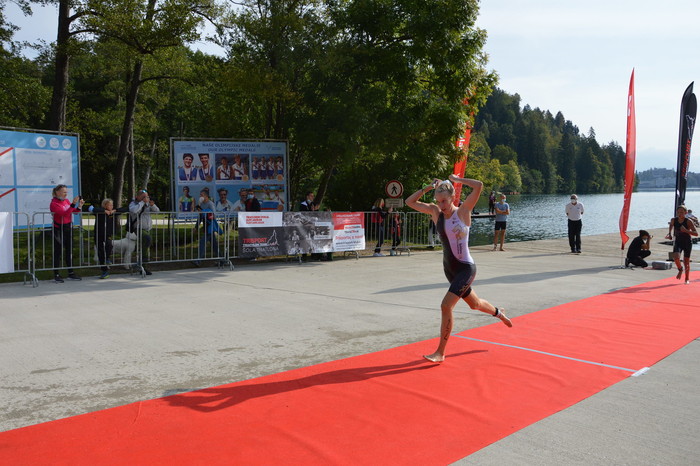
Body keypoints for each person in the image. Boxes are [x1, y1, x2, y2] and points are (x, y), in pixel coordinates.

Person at [406, 175, 512, 363]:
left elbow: (479, 185)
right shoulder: (435, 212)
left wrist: (457, 179)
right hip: (449, 270)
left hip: (465, 269)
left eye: (444, 201)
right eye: (438, 201)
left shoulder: (463, 212)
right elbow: (409, 202)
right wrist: (429, 187)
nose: (441, 205)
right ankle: (499, 312)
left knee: (446, 306)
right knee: (475, 304)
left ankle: (440, 352)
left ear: (452, 198)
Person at [50, 184, 84, 282]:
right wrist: (73, 204)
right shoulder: (54, 203)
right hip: (58, 228)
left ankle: (71, 273)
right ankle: (56, 274)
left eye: (66, 192)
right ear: (57, 192)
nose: (66, 194)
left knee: (69, 250)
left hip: (68, 227)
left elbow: (74, 212)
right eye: (64, 192)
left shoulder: (67, 201)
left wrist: (79, 206)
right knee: (58, 251)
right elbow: (64, 213)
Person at [88, 198, 129, 279]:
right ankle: (104, 270)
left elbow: (126, 209)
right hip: (98, 234)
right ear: (105, 205)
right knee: (100, 252)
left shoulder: (112, 213)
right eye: (109, 205)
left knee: (109, 244)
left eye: (112, 205)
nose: (111, 206)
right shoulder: (99, 212)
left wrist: (115, 210)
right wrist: (103, 211)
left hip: (107, 234)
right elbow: (90, 208)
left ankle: (107, 258)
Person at [128, 189, 160, 275]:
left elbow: (157, 211)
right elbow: (134, 210)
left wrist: (152, 205)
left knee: (146, 246)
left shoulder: (148, 204)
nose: (146, 198)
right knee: (147, 239)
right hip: (139, 228)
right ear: (138, 197)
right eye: (143, 197)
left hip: (148, 228)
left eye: (147, 197)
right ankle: (141, 264)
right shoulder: (133, 203)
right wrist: (142, 202)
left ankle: (141, 265)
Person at [666, 205, 698, 284]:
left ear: (685, 213)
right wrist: (669, 234)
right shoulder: (674, 220)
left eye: (681, 212)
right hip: (678, 241)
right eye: (678, 212)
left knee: (686, 262)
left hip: (687, 242)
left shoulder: (688, 221)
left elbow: (696, 233)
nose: (679, 214)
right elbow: (671, 225)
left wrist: (686, 231)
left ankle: (687, 278)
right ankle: (680, 269)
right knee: (676, 258)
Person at [194, 188, 222, 265]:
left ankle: (199, 260)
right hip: (206, 227)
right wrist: (196, 227)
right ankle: (222, 259)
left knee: (202, 243)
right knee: (214, 245)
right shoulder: (201, 204)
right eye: (200, 195)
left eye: (201, 195)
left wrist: (204, 212)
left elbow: (214, 215)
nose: (200, 197)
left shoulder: (210, 204)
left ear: (206, 196)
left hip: (210, 226)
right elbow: (200, 217)